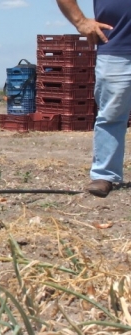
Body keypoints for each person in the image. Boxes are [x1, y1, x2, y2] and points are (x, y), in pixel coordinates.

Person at [56, 0, 131, 198]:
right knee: (111, 115)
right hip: (117, 46)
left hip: (116, 47)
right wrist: (80, 21)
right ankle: (104, 175)